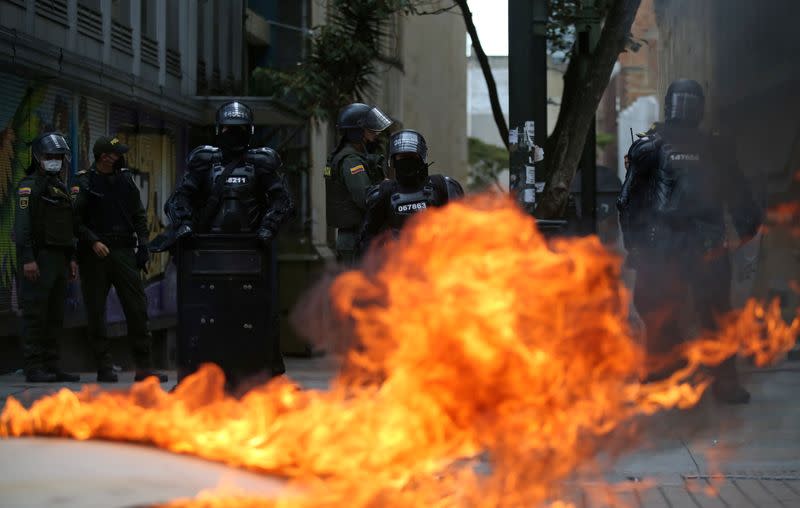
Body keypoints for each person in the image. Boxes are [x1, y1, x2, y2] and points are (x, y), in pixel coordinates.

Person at [617, 79, 762, 404]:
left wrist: (635, 245)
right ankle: (710, 379)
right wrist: (748, 230)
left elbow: (627, 201)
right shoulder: (713, 147)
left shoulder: (650, 145)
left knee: (662, 311)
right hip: (697, 245)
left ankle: (666, 371)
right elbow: (740, 197)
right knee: (712, 315)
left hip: (667, 245)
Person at [161, 100, 294, 381]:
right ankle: (196, 376)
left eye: (239, 130)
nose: (233, 135)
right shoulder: (204, 161)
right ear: (219, 130)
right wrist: (184, 225)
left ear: (249, 131)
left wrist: (268, 228)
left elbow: (282, 200)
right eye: (228, 130)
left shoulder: (262, 162)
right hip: (210, 251)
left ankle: (265, 373)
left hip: (252, 249)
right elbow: (180, 197)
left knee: (261, 314)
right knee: (202, 315)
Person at [74, 136, 166, 383]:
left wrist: (144, 244)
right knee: (95, 311)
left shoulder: (124, 180)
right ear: (104, 157)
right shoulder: (83, 182)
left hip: (124, 251)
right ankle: (104, 366)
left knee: (137, 308)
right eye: (116, 153)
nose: (120, 157)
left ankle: (144, 367)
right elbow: (74, 221)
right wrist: (93, 241)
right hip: (95, 254)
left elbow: (138, 214)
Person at [14, 132, 80, 383]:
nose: (55, 160)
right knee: (35, 315)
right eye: (50, 156)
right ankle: (34, 367)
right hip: (39, 260)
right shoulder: (28, 187)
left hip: (60, 260)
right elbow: (22, 228)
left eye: (59, 157)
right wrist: (28, 258)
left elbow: (67, 226)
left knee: (55, 316)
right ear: (39, 157)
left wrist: (72, 258)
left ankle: (52, 365)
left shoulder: (60, 187)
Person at [357, 129, 464, 255]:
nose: (406, 161)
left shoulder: (443, 185)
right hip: (399, 265)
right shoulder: (384, 192)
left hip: (438, 260)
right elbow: (369, 235)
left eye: (411, 156)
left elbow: (461, 227)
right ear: (394, 160)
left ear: (421, 158)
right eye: (401, 157)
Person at [325, 103, 394, 264]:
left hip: (360, 235)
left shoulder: (358, 154)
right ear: (357, 131)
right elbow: (365, 197)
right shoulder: (351, 160)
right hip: (355, 238)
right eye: (369, 129)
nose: (375, 133)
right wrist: (385, 188)